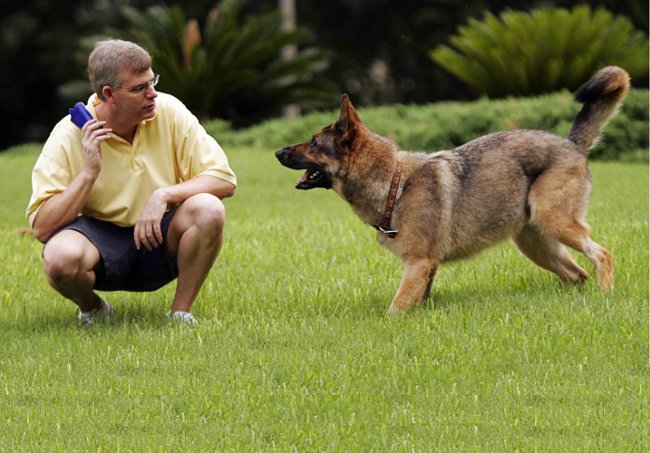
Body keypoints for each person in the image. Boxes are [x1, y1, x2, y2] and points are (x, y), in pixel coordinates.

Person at [26, 39, 237, 326]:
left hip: (160, 234)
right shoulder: (68, 134)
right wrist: (89, 172)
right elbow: (42, 227)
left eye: (153, 82)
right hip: (100, 242)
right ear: (109, 94)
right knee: (60, 258)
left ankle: (180, 315)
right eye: (140, 88)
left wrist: (164, 195)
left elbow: (224, 179)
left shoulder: (169, 110)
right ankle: (94, 310)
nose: (153, 94)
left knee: (209, 209)